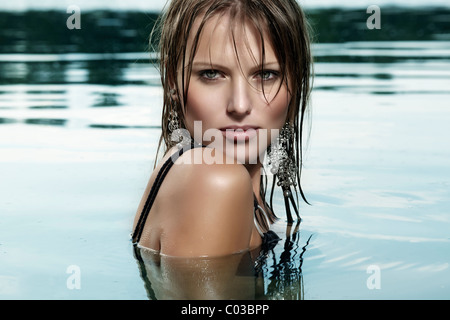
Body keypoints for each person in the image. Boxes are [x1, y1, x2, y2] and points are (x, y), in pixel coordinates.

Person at [132, 0, 312, 260]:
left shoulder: (191, 172)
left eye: (266, 75)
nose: (239, 105)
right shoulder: (213, 181)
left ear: (295, 83)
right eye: (211, 74)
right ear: (173, 81)